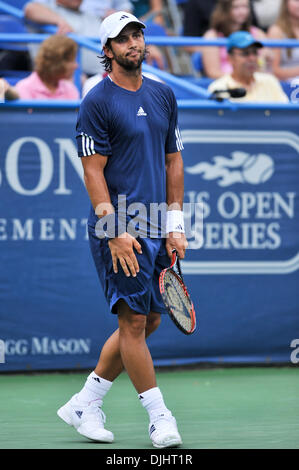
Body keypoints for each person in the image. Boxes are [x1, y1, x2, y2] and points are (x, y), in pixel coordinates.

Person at [57, 11, 187, 448]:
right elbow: (93, 171)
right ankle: (159, 416)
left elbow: (173, 161)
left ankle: (84, 402)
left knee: (150, 319)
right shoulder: (96, 100)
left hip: (155, 224)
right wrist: (112, 227)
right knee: (133, 320)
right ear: (107, 50)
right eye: (123, 38)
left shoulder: (164, 95)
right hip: (120, 226)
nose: (134, 42)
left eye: (138, 35)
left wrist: (175, 223)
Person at [24, 0, 105, 75]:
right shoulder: (48, 8)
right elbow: (30, 9)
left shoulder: (91, 14)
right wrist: (59, 21)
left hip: (103, 74)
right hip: (72, 77)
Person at [208, 30, 289, 102]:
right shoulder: (218, 88)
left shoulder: (270, 81)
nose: (252, 58)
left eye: (255, 53)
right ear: (230, 58)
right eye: (245, 53)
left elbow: (285, 114)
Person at [201, 0, 268, 79]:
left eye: (245, 6)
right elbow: (213, 72)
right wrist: (239, 80)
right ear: (225, 9)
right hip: (226, 85)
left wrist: (261, 63)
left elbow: (265, 67)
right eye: (236, 7)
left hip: (255, 83)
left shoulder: (258, 34)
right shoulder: (212, 36)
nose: (242, 11)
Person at [13, 35, 79, 99]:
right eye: (71, 61)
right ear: (56, 63)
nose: (76, 66)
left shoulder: (70, 89)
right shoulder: (24, 88)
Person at [267, 0, 299, 81]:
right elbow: (274, 70)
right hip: (288, 85)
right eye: (296, 0)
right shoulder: (276, 31)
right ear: (286, 3)